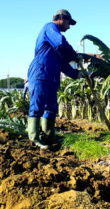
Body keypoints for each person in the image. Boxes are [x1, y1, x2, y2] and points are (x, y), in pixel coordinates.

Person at [27, 9, 84, 149]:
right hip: (40, 72)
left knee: (51, 106)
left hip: (52, 76)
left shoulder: (57, 49)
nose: (69, 27)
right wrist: (74, 55)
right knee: (37, 104)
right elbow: (61, 43)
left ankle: (49, 135)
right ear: (61, 18)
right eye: (68, 23)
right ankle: (34, 138)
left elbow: (64, 65)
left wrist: (78, 74)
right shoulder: (50, 28)